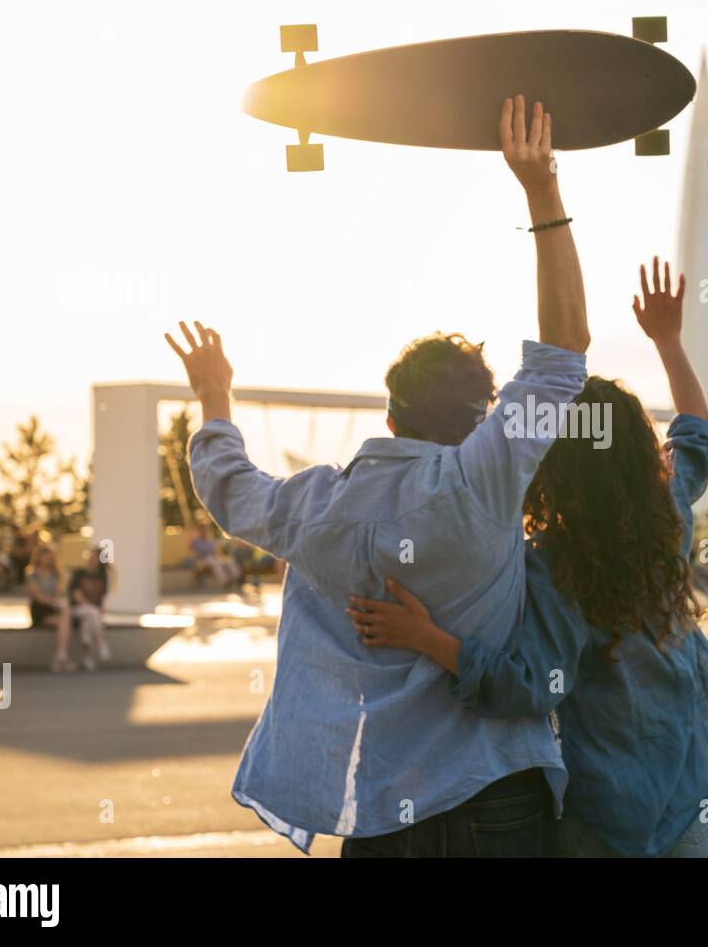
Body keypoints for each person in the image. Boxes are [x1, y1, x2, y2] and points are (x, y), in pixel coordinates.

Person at [166, 95, 590, 857]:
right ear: (481, 416)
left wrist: (214, 394)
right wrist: (540, 190)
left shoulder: (315, 507)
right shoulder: (482, 481)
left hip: (380, 812)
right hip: (495, 797)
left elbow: (228, 487)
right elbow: (563, 356)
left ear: (389, 417)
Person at [349, 257, 708, 857]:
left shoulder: (556, 564)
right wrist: (668, 341)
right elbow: (695, 433)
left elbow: (528, 685)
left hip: (605, 817)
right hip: (684, 797)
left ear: (551, 467)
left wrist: (425, 636)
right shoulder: (669, 515)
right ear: (638, 448)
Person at [28, 545, 74, 671]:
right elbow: (39, 598)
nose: (48, 559)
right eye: (45, 555)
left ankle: (61, 656)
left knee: (65, 617)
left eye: (50, 556)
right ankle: (61, 656)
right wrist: (55, 601)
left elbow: (58, 593)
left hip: (52, 610)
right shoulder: (33, 575)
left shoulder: (56, 574)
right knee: (65, 618)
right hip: (40, 611)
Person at [65, 544, 111, 671]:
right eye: (90, 556)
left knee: (87, 622)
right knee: (91, 612)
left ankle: (87, 657)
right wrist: (92, 607)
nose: (91, 558)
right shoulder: (80, 573)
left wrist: (100, 610)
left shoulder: (103, 576)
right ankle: (101, 643)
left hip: (92, 614)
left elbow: (101, 598)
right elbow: (75, 595)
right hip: (77, 610)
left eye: (94, 556)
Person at [188, 523, 238, 589]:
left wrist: (219, 556)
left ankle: (236, 576)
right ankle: (225, 580)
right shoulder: (196, 541)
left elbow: (215, 552)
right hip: (202, 560)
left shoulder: (210, 541)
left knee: (228, 561)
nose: (204, 532)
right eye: (202, 530)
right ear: (199, 531)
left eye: (205, 530)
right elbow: (190, 549)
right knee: (214, 562)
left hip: (213, 558)